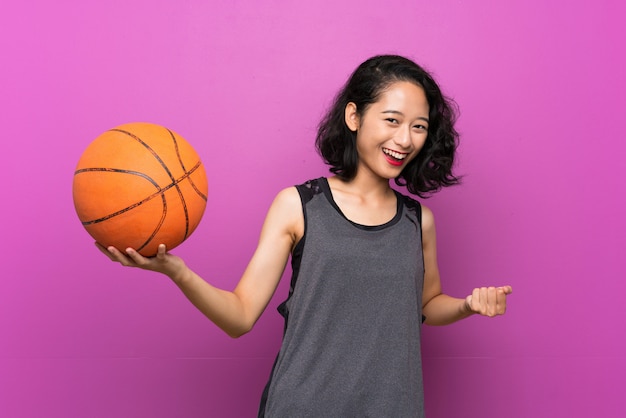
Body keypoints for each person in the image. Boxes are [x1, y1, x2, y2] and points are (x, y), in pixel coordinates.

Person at [98, 55, 512, 417]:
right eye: (392, 120)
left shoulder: (417, 220)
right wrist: (177, 271)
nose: (404, 139)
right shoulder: (299, 205)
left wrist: (468, 306)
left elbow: (427, 305)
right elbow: (240, 317)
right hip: (302, 406)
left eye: (418, 127)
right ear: (354, 117)